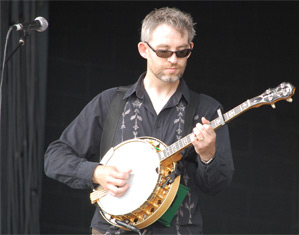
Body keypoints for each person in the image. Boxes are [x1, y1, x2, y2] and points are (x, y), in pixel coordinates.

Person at [44, 7, 234, 235]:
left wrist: (207, 155)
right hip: (111, 231)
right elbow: (54, 157)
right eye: (164, 52)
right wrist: (96, 173)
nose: (173, 60)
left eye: (181, 52)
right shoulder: (110, 102)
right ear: (144, 49)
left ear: (190, 49)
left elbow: (217, 185)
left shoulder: (207, 110)